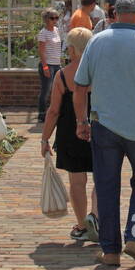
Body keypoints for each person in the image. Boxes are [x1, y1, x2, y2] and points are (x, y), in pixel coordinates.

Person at [72, 0, 135, 267]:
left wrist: (81, 121)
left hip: (104, 126)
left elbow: (79, 87)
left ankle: (111, 250)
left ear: (114, 14)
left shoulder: (96, 43)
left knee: (106, 187)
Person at [41, 27, 99, 243]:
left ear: (73, 49)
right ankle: (97, 217)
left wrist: (45, 138)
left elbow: (54, 111)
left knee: (77, 180)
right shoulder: (100, 71)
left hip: (70, 131)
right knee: (101, 178)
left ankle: (83, 225)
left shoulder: (63, 75)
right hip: (98, 128)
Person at [36, 8, 62, 122]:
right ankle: (42, 115)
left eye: (57, 18)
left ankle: (56, 112)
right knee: (46, 90)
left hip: (57, 64)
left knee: (57, 90)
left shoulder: (56, 30)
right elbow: (41, 51)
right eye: (52, 18)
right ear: (46, 19)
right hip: (48, 65)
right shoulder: (43, 33)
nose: (55, 20)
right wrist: (45, 66)